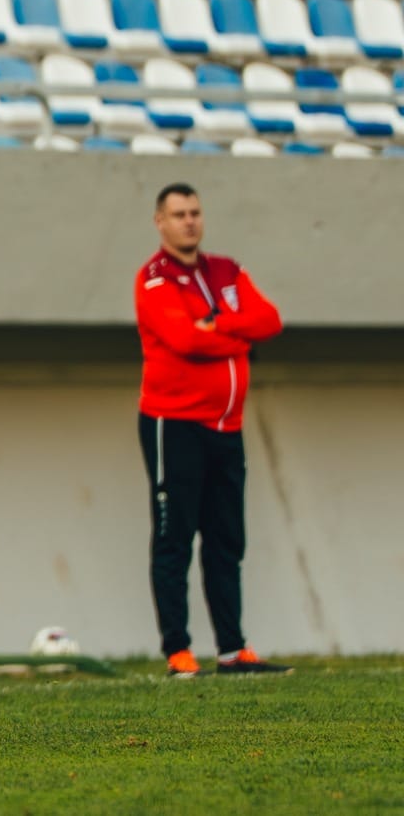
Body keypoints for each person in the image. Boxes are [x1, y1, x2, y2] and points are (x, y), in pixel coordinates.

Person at [136, 183, 290, 678]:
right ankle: (178, 650)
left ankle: (232, 649)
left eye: (195, 212)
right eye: (179, 214)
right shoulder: (155, 279)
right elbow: (184, 339)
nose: (189, 221)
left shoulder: (226, 271)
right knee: (175, 539)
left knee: (226, 540)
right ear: (160, 222)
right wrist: (237, 335)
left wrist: (218, 324)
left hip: (227, 427)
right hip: (175, 424)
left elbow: (270, 320)